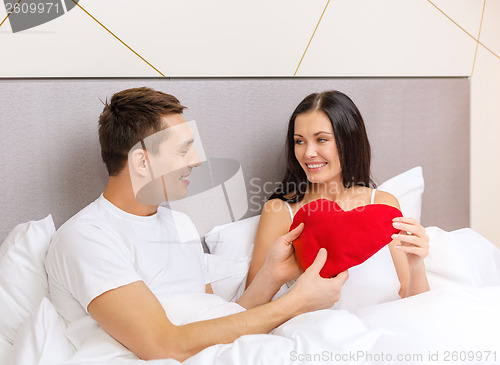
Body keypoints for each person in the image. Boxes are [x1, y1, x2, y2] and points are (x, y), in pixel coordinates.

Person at [45, 87, 349, 362]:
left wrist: (272, 274)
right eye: (183, 149)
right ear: (141, 162)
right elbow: (163, 345)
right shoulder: (87, 237)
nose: (196, 160)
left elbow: (213, 324)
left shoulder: (179, 224)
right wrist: (296, 303)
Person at [247, 90, 429, 301]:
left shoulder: (381, 204)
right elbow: (251, 307)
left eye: (321, 140)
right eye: (299, 141)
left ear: (349, 141)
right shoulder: (280, 211)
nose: (308, 153)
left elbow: (413, 301)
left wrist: (416, 264)